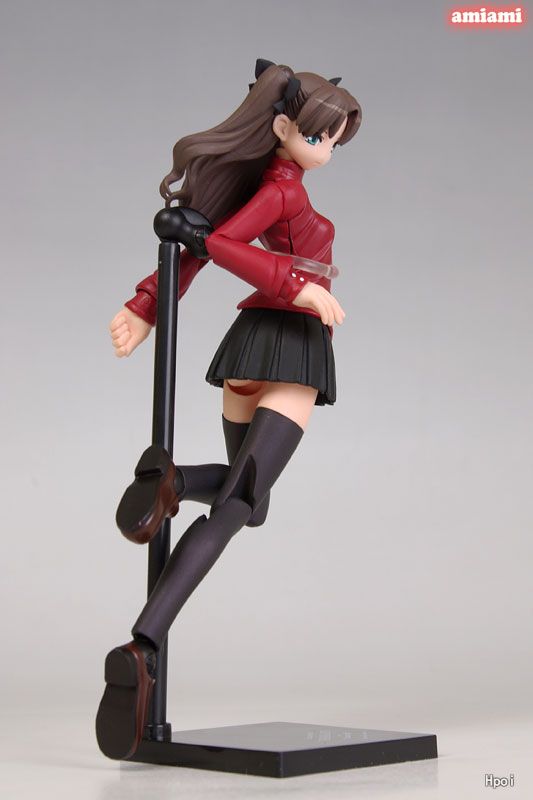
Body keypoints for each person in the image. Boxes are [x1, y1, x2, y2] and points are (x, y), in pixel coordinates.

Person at [96, 59, 362, 760]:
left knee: (250, 502)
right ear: (283, 127)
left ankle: (175, 481)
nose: (327, 151)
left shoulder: (267, 185)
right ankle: (145, 641)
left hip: (246, 349)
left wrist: (146, 305)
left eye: (334, 141)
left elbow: (203, 241)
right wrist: (297, 286)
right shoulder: (283, 190)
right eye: (319, 138)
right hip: (290, 348)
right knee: (242, 501)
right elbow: (219, 244)